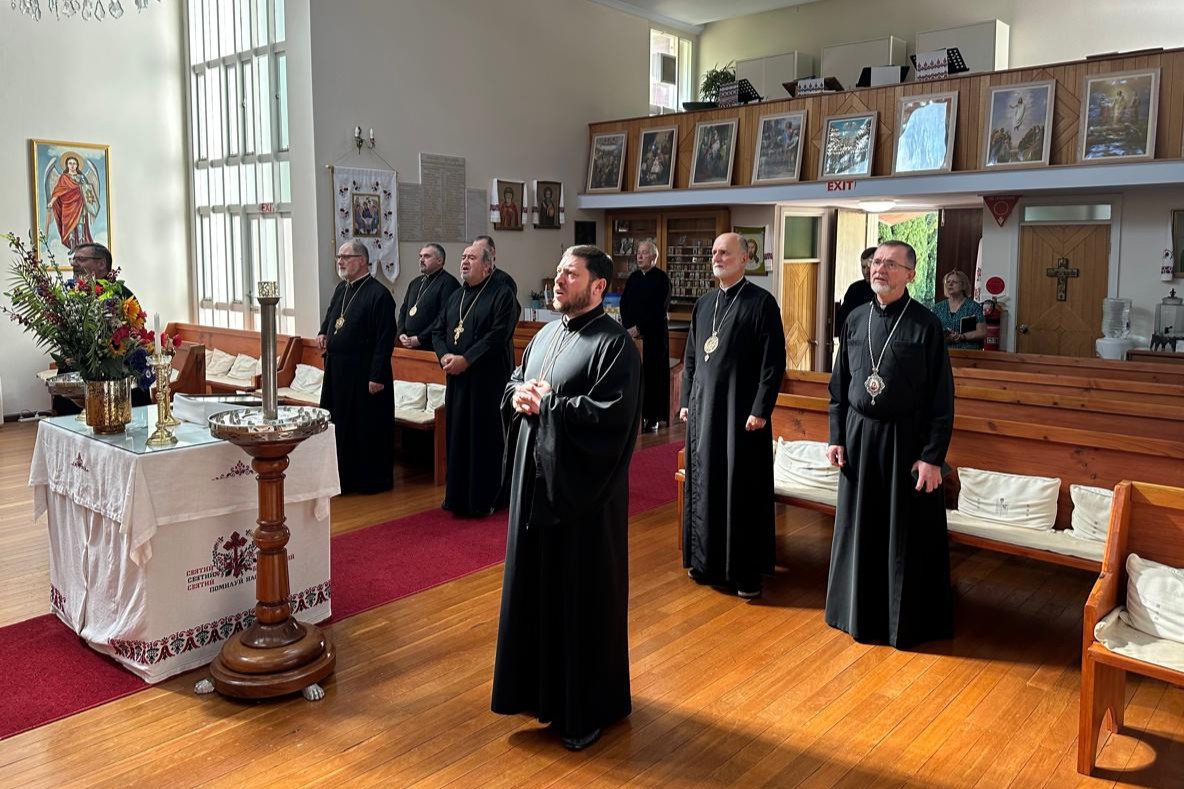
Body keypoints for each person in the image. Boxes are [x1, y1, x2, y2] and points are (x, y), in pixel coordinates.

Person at [492, 244, 642, 752]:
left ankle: (587, 708)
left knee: (581, 598)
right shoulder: (546, 334)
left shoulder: (615, 346)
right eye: (558, 272)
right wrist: (517, 395)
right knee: (535, 589)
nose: (558, 281)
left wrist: (550, 405)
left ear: (598, 286)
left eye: (570, 274)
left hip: (583, 497)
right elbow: (517, 382)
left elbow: (613, 418)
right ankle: (538, 695)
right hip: (534, 485)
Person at [825, 240, 955, 649]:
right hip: (859, 437)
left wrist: (932, 457)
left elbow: (941, 399)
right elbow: (839, 386)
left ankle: (903, 623)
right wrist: (836, 436)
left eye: (891, 264)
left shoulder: (925, 325)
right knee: (858, 528)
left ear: (910, 274)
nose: (880, 269)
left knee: (903, 535)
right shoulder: (855, 318)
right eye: (877, 262)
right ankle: (855, 614)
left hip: (906, 443)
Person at [680, 233, 787, 599]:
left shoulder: (761, 303)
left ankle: (745, 572)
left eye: (724, 252)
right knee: (705, 483)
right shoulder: (704, 304)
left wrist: (761, 408)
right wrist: (686, 400)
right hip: (704, 411)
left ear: (744, 259)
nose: (717, 257)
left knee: (740, 488)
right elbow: (691, 357)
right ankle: (706, 563)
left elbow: (773, 363)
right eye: (714, 252)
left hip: (741, 414)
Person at [432, 242, 519, 516]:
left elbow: (498, 335)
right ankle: (457, 497)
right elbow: (437, 331)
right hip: (457, 380)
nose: (465, 261)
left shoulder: (502, 294)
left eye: (471, 257)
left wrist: (466, 360)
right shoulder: (455, 296)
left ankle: (486, 499)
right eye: (463, 257)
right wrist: (445, 356)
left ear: (487, 266)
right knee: (457, 436)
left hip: (487, 381)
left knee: (484, 438)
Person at [317, 239, 397, 494]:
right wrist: (323, 332)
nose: (340, 261)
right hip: (338, 371)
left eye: (345, 257)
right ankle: (340, 478)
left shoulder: (379, 295)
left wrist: (377, 375)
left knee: (363, 427)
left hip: (364, 373)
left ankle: (367, 481)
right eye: (339, 257)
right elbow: (332, 316)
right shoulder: (342, 288)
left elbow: (385, 340)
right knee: (340, 424)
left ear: (361, 261)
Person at [619, 238, 671, 431]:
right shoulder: (633, 278)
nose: (640, 256)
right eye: (638, 252)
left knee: (653, 376)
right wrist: (628, 326)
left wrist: (639, 328)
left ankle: (653, 416)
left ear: (654, 257)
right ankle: (633, 413)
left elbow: (659, 310)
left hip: (654, 337)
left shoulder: (662, 279)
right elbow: (624, 304)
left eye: (644, 253)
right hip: (633, 336)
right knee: (633, 375)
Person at [398, 243, 460, 349]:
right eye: (420, 256)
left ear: (439, 261)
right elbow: (404, 310)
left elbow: (443, 317)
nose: (421, 260)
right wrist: (401, 332)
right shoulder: (415, 283)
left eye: (427, 256)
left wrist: (420, 339)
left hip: (432, 346)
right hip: (408, 344)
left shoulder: (449, 283)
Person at [46, 154, 98, 251]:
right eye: (70, 163)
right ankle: (72, 247)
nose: (72, 165)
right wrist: (51, 202)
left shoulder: (81, 177)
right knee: (69, 228)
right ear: (67, 165)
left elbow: (88, 191)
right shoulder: (63, 178)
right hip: (67, 207)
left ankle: (81, 247)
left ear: (77, 165)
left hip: (80, 206)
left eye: (74, 163)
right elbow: (58, 191)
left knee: (80, 227)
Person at [931, 269, 985, 349]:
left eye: (954, 282)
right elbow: (931, 332)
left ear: (963, 285)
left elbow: (982, 332)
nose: (950, 284)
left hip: (968, 352)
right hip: (943, 352)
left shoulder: (973, 307)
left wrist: (962, 336)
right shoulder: (937, 308)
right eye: (948, 282)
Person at [834, 247, 877, 337]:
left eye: (870, 267)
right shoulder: (854, 289)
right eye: (863, 267)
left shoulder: (889, 291)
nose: (866, 271)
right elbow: (843, 320)